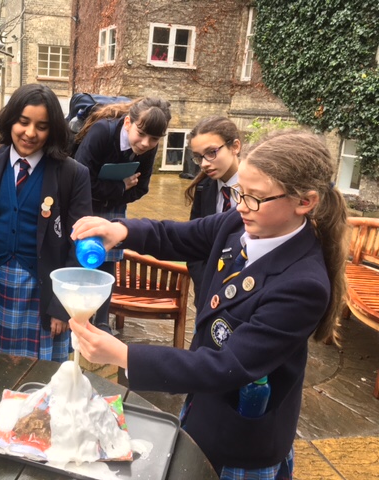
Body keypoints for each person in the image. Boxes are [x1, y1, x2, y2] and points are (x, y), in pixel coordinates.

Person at [69, 130, 348, 478]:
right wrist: (121, 229)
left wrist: (123, 355)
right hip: (204, 410)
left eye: (256, 198)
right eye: (239, 193)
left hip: (242, 442)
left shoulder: (302, 284)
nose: (242, 205)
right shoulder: (241, 224)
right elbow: (178, 236)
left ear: (304, 202)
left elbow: (225, 366)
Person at [0, 84, 92, 362]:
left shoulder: (71, 173)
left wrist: (60, 306)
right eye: (23, 122)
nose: (30, 133)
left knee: (42, 376)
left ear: (53, 130)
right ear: (11, 120)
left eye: (42, 126)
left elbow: (79, 243)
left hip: (43, 289)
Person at [74, 97, 171, 332]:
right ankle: (78, 317)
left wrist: (112, 194)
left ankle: (103, 320)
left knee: (108, 261)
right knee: (83, 258)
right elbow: (80, 181)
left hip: (113, 208)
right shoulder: (101, 133)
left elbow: (140, 188)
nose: (147, 143)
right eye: (142, 134)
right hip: (84, 204)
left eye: (155, 139)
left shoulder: (148, 145)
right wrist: (118, 188)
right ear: (128, 122)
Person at [185, 117, 241, 309]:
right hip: (208, 296)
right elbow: (194, 243)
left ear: (235, 147)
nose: (204, 164)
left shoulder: (259, 189)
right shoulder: (204, 187)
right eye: (199, 157)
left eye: (211, 153)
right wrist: (204, 284)